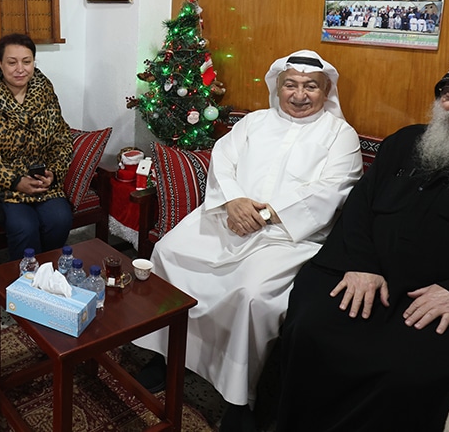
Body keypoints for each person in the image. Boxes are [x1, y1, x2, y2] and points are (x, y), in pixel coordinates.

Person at [276, 53, 449, 432]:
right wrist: (361, 263)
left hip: (447, 303)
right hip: (368, 277)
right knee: (312, 328)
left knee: (405, 373)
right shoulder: (405, 142)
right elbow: (358, 208)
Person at [133, 50, 363, 432]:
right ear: (279, 86)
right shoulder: (255, 123)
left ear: (326, 91)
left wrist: (267, 215)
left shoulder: (341, 135)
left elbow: (332, 191)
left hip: (287, 236)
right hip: (229, 217)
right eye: (291, 84)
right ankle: (165, 354)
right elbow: (223, 162)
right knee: (168, 252)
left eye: (310, 87)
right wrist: (233, 201)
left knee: (253, 295)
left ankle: (242, 397)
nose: (299, 94)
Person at [0, 33, 74, 259]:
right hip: (1, 184)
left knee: (60, 219)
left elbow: (62, 137)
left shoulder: (45, 93)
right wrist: (14, 180)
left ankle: (49, 275)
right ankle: (26, 284)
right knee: (24, 227)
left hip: (41, 180)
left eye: (27, 61)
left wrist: (54, 174)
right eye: (12, 62)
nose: (20, 69)